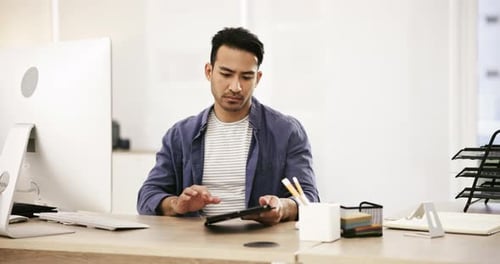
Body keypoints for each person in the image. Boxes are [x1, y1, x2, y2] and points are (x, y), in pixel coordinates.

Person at [137, 27, 319, 225]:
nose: (235, 87)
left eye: (246, 77)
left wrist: (282, 208)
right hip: (195, 245)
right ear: (209, 71)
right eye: (226, 74)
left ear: (257, 79)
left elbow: (308, 197)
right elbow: (147, 196)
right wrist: (176, 204)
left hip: (261, 245)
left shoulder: (287, 131)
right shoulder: (180, 135)